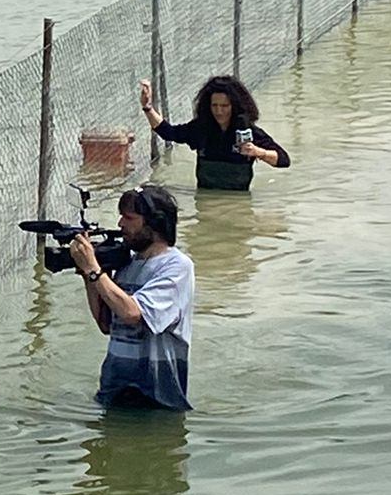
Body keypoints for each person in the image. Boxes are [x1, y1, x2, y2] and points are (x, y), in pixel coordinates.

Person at [69, 184, 194, 411]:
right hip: (114, 388)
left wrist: (94, 270)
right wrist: (89, 277)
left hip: (155, 398)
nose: (120, 224)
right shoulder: (129, 264)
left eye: (128, 218)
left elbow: (132, 313)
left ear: (154, 223)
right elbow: (107, 324)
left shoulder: (177, 267)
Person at [140, 74, 290, 193]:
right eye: (215, 105)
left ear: (235, 106)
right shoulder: (201, 128)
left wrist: (259, 152)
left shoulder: (248, 132)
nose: (219, 111)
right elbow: (169, 133)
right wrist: (148, 108)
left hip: (239, 203)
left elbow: (283, 160)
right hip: (206, 200)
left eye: (224, 106)